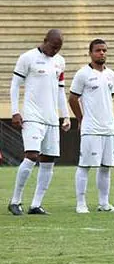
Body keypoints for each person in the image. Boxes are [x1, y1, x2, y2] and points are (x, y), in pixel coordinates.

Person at [8, 29, 71, 215]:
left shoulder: (60, 61)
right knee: (32, 155)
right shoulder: (27, 58)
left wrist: (65, 115)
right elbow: (15, 85)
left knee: (48, 160)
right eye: (53, 47)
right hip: (32, 116)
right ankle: (15, 200)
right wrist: (15, 111)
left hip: (51, 118)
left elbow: (60, 91)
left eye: (58, 48)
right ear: (45, 41)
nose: (55, 51)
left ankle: (36, 204)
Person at [69, 39, 114, 213]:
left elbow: (109, 97)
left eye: (104, 50)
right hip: (91, 128)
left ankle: (104, 203)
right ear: (90, 53)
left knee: (106, 167)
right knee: (85, 165)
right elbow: (73, 98)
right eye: (98, 50)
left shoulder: (111, 75)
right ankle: (81, 203)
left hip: (109, 128)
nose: (102, 53)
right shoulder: (82, 74)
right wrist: (81, 119)